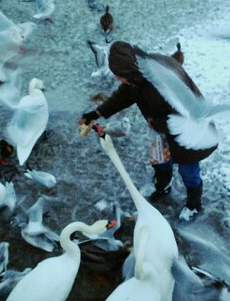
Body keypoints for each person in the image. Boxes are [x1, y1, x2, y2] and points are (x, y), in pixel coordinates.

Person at [79, 41, 217, 220]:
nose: (116, 79)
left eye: (119, 76)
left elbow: (188, 114)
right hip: (165, 130)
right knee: (160, 160)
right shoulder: (139, 76)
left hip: (191, 134)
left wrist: (157, 123)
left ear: (128, 72)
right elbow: (125, 94)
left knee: (188, 171)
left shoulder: (161, 82)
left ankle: (194, 204)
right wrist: (96, 113)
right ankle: (163, 187)